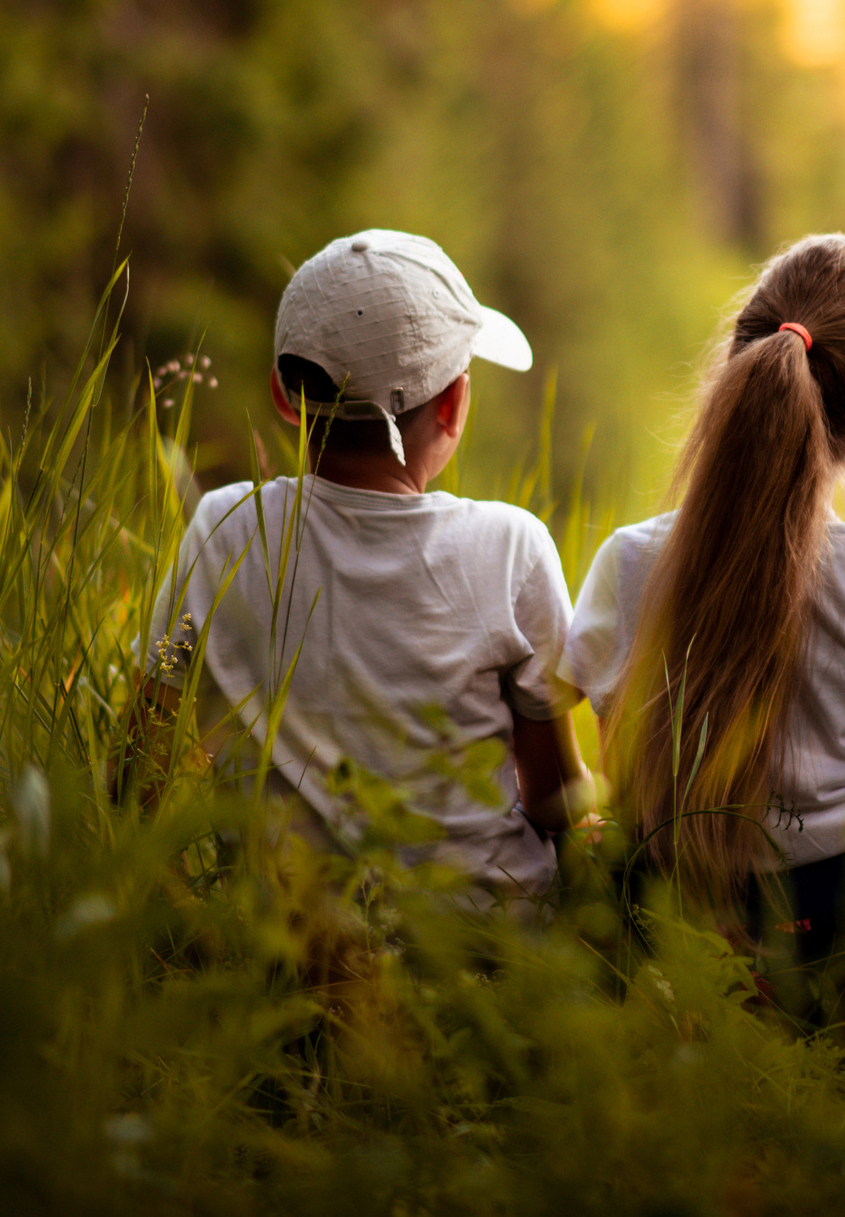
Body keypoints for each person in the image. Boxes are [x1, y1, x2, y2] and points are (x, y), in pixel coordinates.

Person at [117, 229, 589, 904]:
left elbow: (136, 772)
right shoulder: (511, 545)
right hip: (486, 947)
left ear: (285, 396)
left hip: (287, 942)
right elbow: (554, 801)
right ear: (453, 404)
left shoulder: (224, 529)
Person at [553, 234, 845, 963]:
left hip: (668, 911)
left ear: (736, 371)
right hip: (841, 924)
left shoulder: (629, 560)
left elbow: (622, 764)